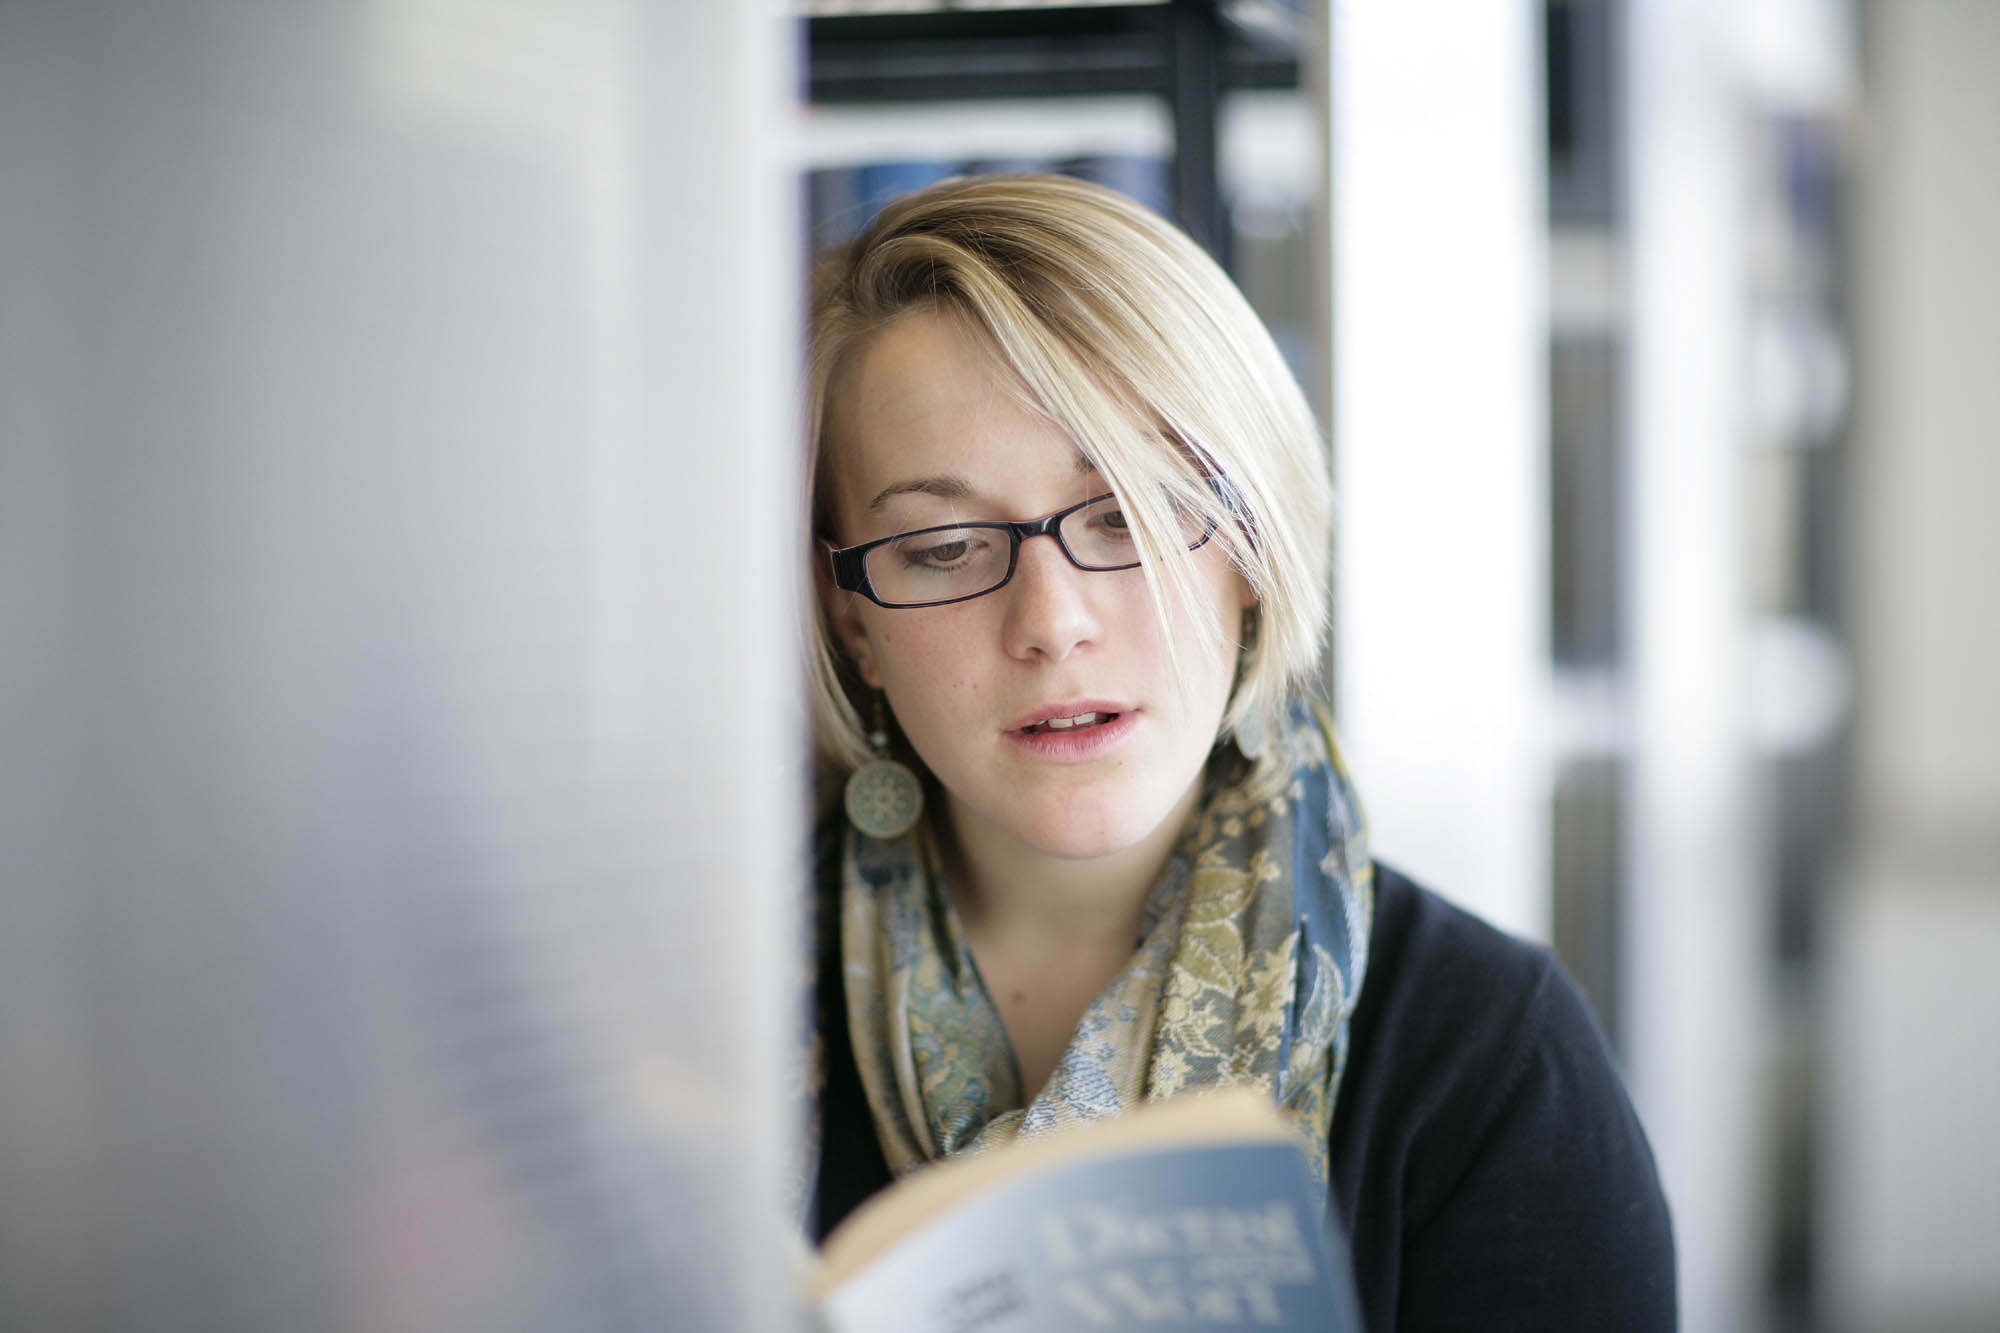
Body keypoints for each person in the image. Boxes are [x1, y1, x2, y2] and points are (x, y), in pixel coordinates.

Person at [803, 173, 1675, 1329]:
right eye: (944, 546)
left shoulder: (1484, 1060)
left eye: (1131, 515)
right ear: (853, 620)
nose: (1051, 620)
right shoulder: (694, 1022)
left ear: (1252, 549)